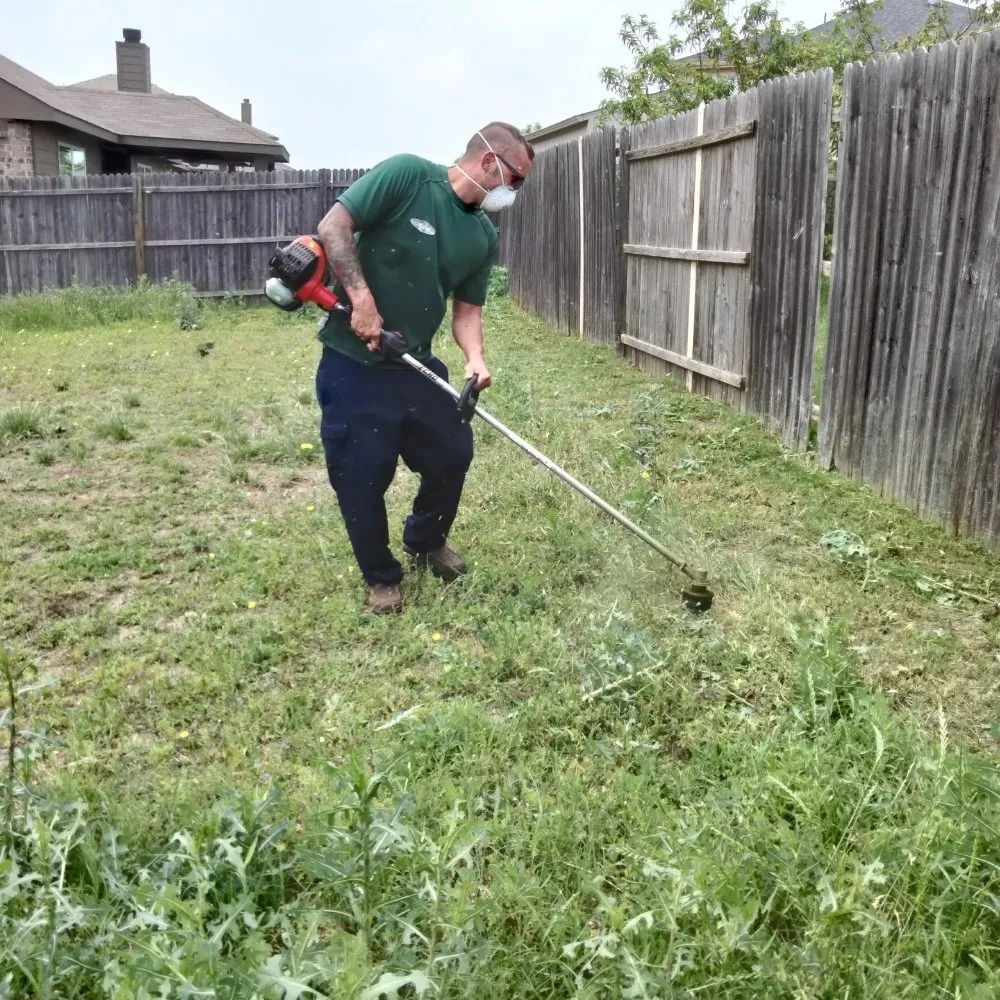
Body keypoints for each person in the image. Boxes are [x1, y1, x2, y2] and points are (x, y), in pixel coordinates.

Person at [314, 122, 535, 615]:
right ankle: (380, 578)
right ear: (488, 163)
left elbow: (467, 312)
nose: (514, 191)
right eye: (515, 179)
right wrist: (362, 300)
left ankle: (426, 540)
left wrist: (475, 359)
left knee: (452, 450)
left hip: (413, 361)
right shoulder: (409, 176)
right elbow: (334, 226)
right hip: (355, 363)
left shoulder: (481, 233)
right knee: (362, 474)